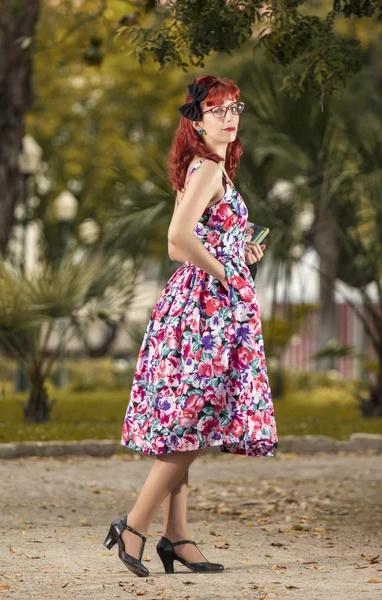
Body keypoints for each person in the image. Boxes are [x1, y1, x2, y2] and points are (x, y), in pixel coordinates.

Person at [104, 74, 278, 578]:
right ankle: (133, 526)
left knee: (191, 419)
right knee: (195, 422)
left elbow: (198, 235)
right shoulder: (206, 168)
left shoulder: (213, 170)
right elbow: (177, 241)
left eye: (235, 108)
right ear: (197, 122)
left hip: (202, 305)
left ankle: (176, 536)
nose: (230, 117)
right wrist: (227, 271)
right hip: (205, 309)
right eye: (218, 110)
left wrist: (238, 250)